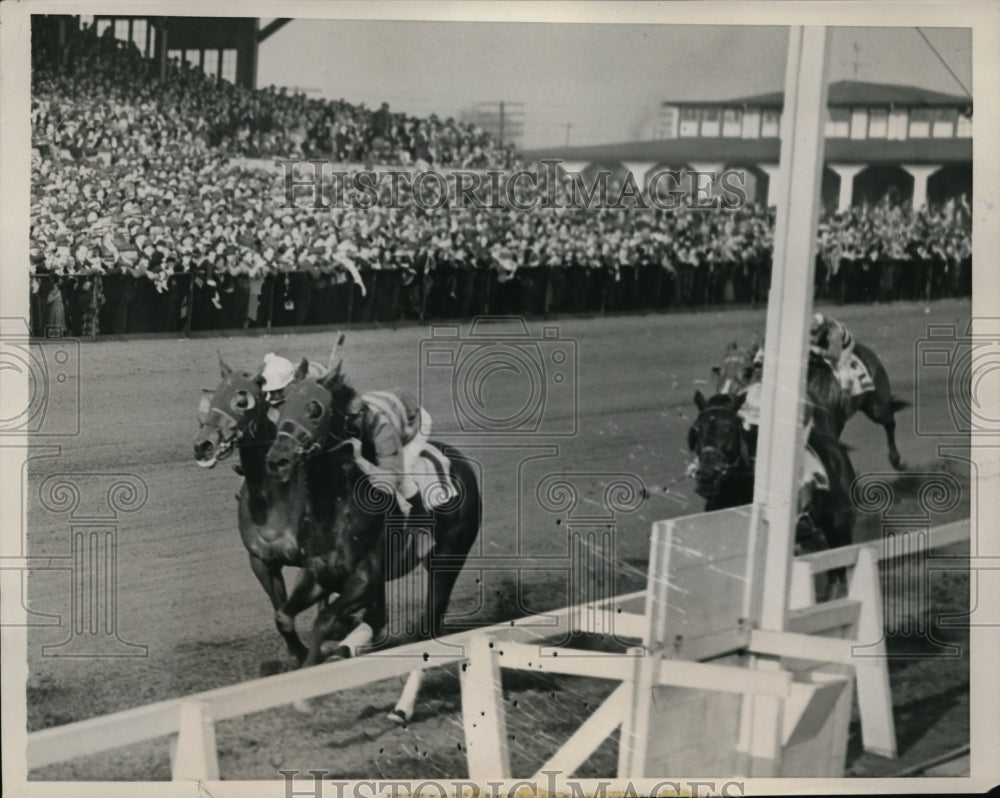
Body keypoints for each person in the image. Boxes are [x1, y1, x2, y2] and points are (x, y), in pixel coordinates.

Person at [344, 388, 433, 518]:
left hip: (416, 425)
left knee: (405, 479)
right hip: (391, 408)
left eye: (350, 418)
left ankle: (422, 525)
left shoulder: (382, 428)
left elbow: (391, 478)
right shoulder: (356, 416)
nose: (346, 423)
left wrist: (360, 460)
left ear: (362, 413)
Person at [809, 312, 870, 397]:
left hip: (844, 347)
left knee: (840, 368)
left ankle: (845, 396)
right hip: (826, 342)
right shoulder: (816, 325)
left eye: (815, 332)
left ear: (822, 328)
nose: (812, 336)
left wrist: (819, 351)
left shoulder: (834, 333)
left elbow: (835, 356)